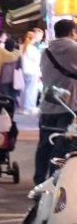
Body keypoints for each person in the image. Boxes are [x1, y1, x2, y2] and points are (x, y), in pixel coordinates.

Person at [37, 19, 77, 183]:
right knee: (63, 144)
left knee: (44, 144)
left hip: (47, 105)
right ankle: (55, 180)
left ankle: (39, 178)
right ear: (72, 32)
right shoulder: (74, 48)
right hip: (68, 106)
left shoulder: (46, 51)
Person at [21, 28, 46, 113]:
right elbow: (38, 61)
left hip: (24, 71)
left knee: (25, 90)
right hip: (32, 71)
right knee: (31, 90)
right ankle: (29, 107)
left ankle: (24, 107)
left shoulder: (23, 47)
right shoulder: (32, 49)